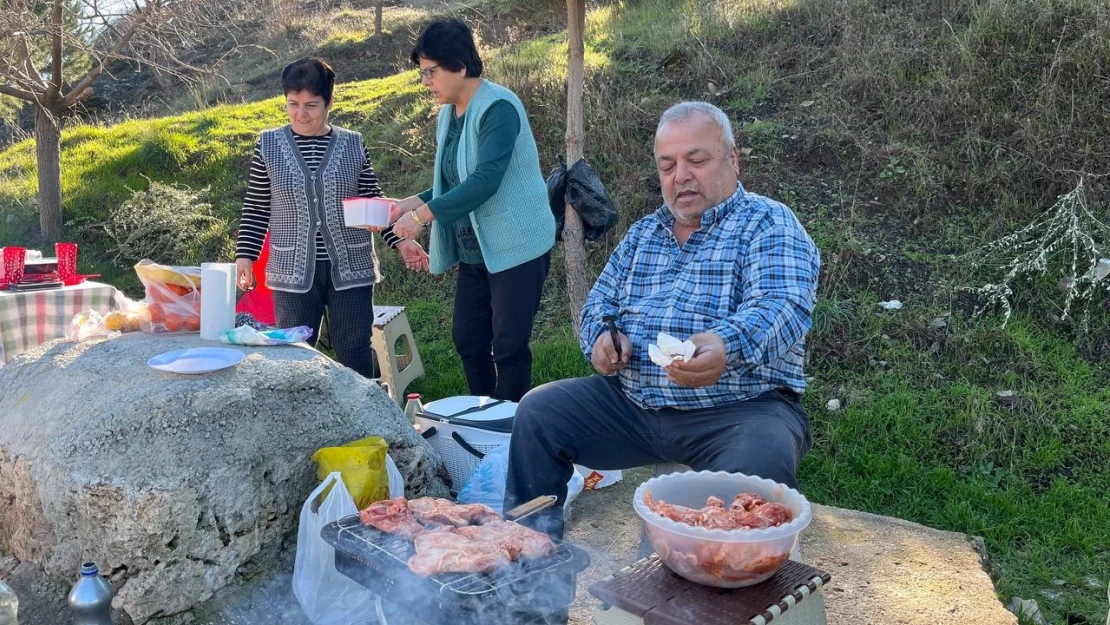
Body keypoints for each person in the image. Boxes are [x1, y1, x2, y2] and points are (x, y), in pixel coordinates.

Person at [505, 102, 821, 539]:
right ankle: (527, 547)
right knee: (539, 411)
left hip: (740, 409)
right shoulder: (644, 235)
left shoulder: (768, 223)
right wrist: (600, 340)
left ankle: (737, 588)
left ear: (733, 159)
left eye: (697, 159)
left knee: (758, 467)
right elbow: (600, 304)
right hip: (632, 406)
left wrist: (725, 345)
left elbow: (782, 306)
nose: (681, 176)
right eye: (667, 165)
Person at [384, 17, 555, 402]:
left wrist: (421, 217)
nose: (425, 82)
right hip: (476, 248)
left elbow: (485, 179)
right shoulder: (450, 112)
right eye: (422, 73)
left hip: (516, 245)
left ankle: (512, 430)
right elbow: (457, 176)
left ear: (460, 66)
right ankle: (484, 414)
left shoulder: (499, 108)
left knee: (509, 347)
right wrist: (418, 199)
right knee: (468, 339)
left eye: (431, 72)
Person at [235, 57, 429, 377]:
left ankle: (362, 419)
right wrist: (245, 255)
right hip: (291, 269)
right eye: (293, 104)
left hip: (350, 266)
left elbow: (374, 204)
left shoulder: (352, 143)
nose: (301, 113)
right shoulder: (268, 144)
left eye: (311, 105)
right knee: (294, 353)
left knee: (353, 348)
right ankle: (306, 423)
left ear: (329, 102)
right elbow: (256, 206)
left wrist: (400, 242)